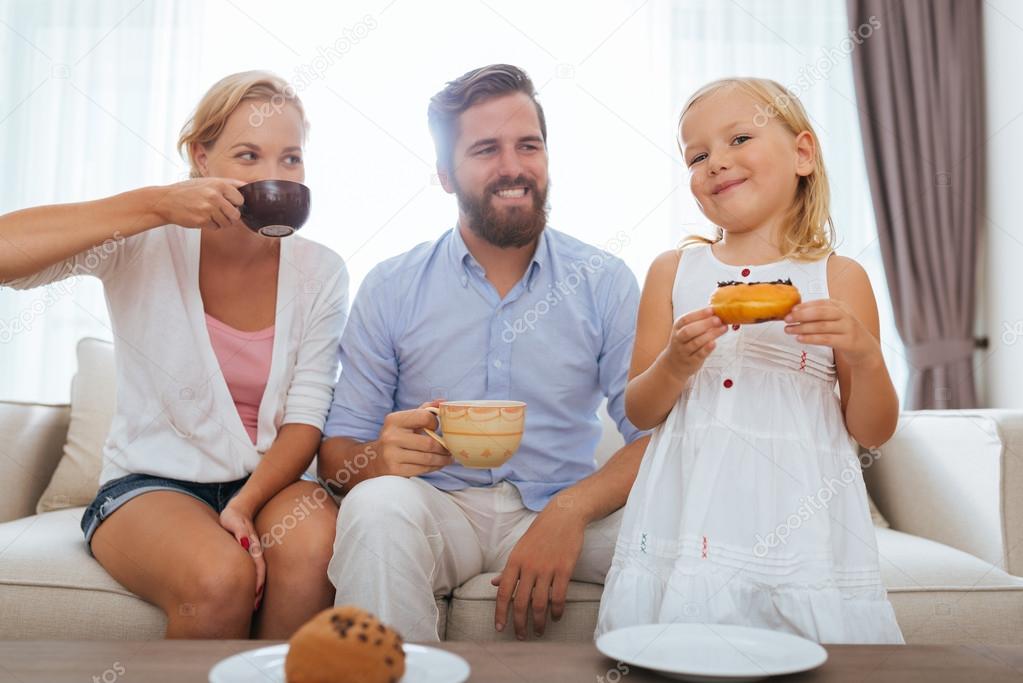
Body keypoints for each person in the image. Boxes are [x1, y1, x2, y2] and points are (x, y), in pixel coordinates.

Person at [0, 71, 346, 639]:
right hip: (149, 485)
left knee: (313, 552)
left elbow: (306, 418)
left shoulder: (322, 271)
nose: (272, 175)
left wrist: (244, 505)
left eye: (290, 159)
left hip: (271, 485)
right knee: (219, 579)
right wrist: (157, 204)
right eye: (247, 155)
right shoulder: (143, 241)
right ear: (201, 158)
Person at [319, 64, 650, 642]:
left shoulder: (604, 280)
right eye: (486, 150)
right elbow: (336, 452)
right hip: (440, 510)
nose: (514, 167)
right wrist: (380, 458)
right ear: (446, 175)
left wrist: (569, 513)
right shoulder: (391, 286)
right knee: (374, 507)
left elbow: (651, 437)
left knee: (674, 528)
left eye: (529, 145)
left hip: (560, 502)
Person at [596, 77, 904, 644]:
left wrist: (864, 353)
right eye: (697, 155)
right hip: (690, 518)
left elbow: (873, 428)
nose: (716, 163)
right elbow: (639, 411)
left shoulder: (838, 278)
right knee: (681, 652)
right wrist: (674, 364)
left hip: (798, 519)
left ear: (803, 154)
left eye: (739, 138)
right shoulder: (673, 271)